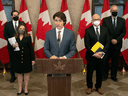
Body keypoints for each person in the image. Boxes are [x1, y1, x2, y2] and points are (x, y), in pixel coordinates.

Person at [84, 14, 110, 95]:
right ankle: (89, 87)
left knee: (100, 72)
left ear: (100, 20)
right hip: (91, 56)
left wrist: (102, 52)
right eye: (94, 19)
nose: (96, 20)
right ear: (91, 21)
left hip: (101, 56)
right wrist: (94, 54)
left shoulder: (105, 30)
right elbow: (87, 44)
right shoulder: (88, 30)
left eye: (97, 19)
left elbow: (107, 42)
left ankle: (98, 87)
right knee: (90, 73)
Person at [102, 5, 126, 82]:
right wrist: (111, 39)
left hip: (117, 44)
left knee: (115, 61)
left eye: (116, 11)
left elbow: (123, 32)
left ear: (118, 11)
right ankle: (105, 75)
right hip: (108, 44)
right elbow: (104, 31)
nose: (115, 12)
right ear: (110, 11)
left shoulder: (122, 20)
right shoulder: (105, 20)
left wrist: (117, 40)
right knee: (105, 60)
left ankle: (113, 76)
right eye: (113, 11)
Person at [12, 23, 35, 95]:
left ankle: (25, 88)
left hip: (26, 57)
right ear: (18, 29)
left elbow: (31, 49)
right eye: (20, 28)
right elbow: (9, 48)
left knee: (26, 73)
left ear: (25, 30)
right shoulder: (14, 38)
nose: (21, 30)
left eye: (23, 29)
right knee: (19, 74)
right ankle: (19, 88)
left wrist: (33, 59)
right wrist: (13, 45)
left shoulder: (28, 37)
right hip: (17, 58)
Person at [4, 10, 25, 83]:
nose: (16, 16)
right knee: (12, 62)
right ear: (11, 16)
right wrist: (12, 43)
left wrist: (20, 42)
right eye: (14, 15)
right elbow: (5, 35)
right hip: (11, 46)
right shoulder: (7, 25)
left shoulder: (22, 24)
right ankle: (12, 76)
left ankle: (21, 77)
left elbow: (25, 34)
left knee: (20, 62)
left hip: (21, 46)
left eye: (17, 15)